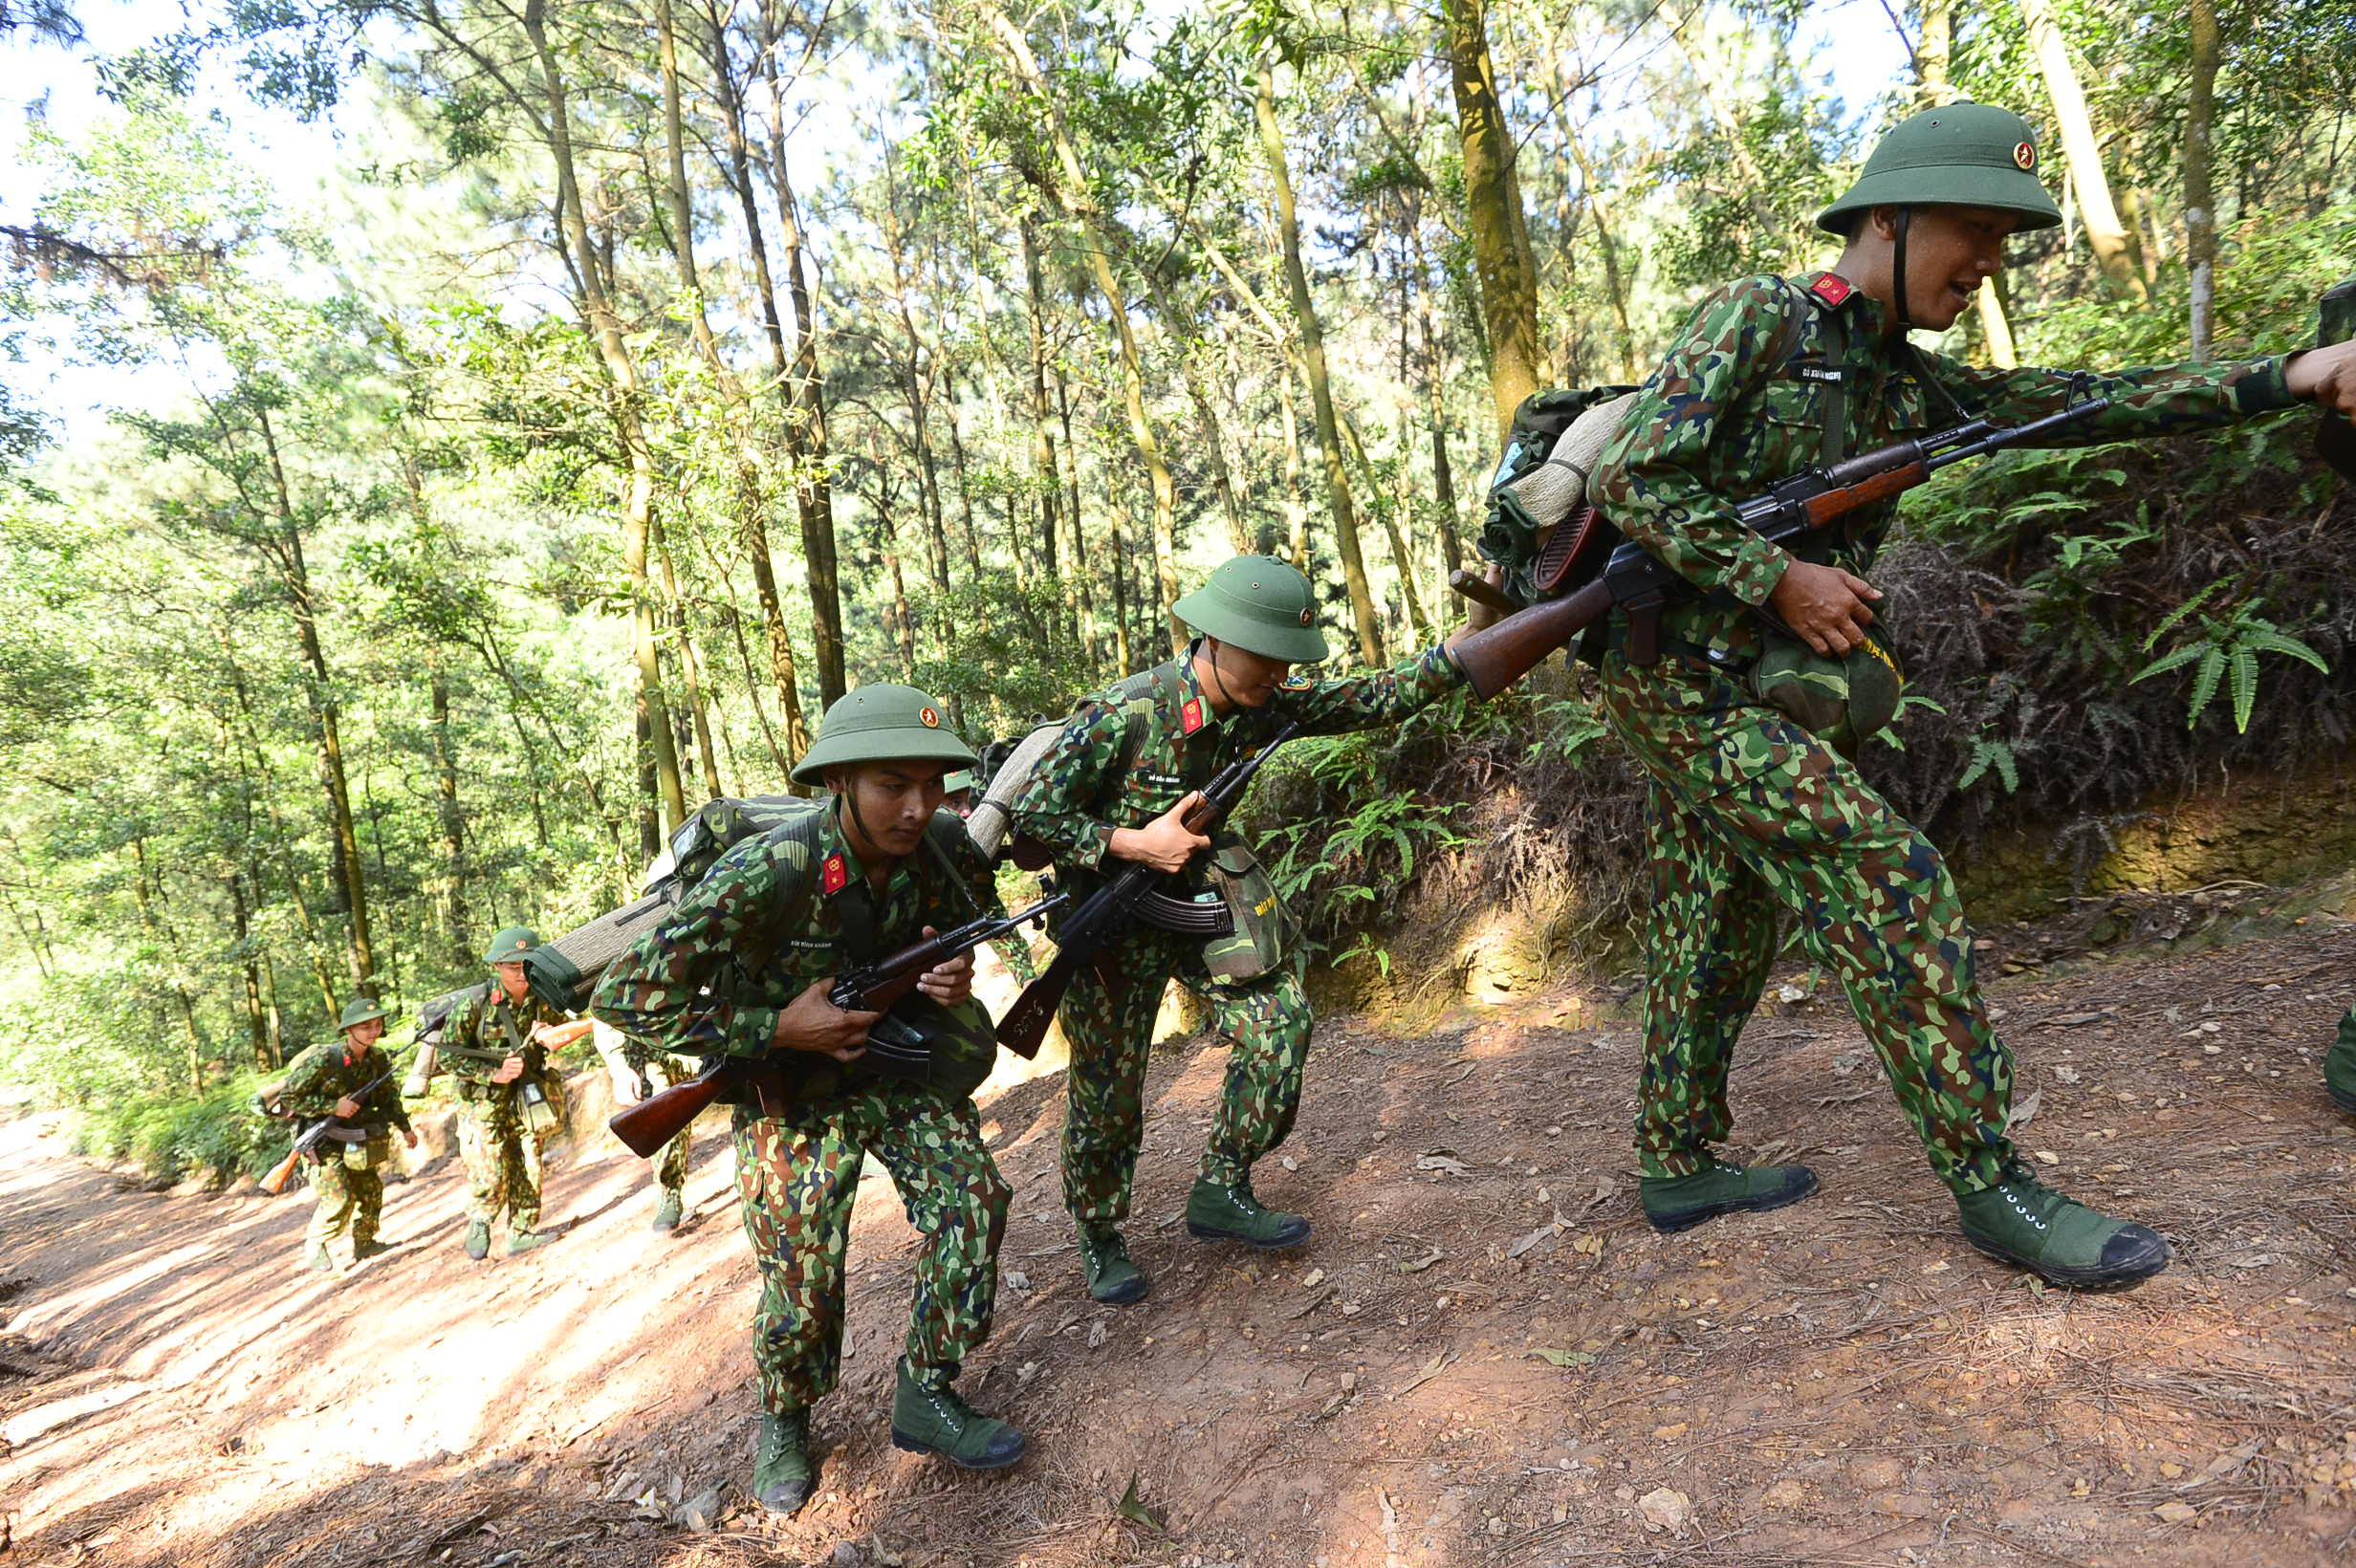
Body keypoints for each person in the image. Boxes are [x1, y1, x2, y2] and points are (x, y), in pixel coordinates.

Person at [1583, 101, 2356, 1289]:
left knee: (1718, 915)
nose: (1990, 261)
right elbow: (1640, 478)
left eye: (2007, 238)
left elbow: (2090, 400)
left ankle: (1677, 1159)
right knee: (1884, 871)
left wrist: (2288, 376)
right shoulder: (1757, 317)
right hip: (1666, 675)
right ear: (1885, 219)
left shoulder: (1910, 391)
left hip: (1752, 686)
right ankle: (1988, 1181)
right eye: (1973, 230)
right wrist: (1777, 576)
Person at [1005, 554, 1497, 1306]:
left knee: (1282, 1025)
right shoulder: (1124, 712)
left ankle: (1221, 1187)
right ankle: (1100, 1235)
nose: (1277, 672)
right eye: (1264, 655)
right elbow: (1034, 816)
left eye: (1285, 659)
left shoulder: (1266, 702)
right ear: (1212, 638)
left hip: (1196, 904)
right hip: (1108, 922)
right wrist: (1135, 843)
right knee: (1110, 1093)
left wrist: (1471, 645)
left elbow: (1377, 696)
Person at [592, 685, 1025, 1515]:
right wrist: (777, 1026)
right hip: (790, 1095)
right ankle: (787, 1416)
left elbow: (967, 931)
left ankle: (927, 1391)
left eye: (933, 785)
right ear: (841, 782)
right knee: (803, 1285)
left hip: (897, 1072)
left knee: (975, 1202)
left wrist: (944, 976)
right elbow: (626, 995)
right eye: (892, 785)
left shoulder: (943, 848)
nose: (917, 806)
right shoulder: (773, 869)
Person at [443, 926, 594, 1259]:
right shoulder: (474, 1004)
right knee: (492, 1168)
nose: (521, 972)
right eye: (513, 966)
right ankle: (481, 1220)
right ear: (496, 965)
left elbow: (564, 1032)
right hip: (480, 1103)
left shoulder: (543, 996)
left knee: (529, 1164)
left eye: (528, 964)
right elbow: (447, 1055)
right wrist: (491, 1074)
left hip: (526, 1096)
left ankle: (521, 1232)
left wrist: (550, 1033)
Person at [255, 997, 417, 1274]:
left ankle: (365, 1243)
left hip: (358, 1138)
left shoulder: (377, 1059)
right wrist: (333, 1107)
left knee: (371, 1190)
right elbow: (291, 1097)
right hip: (322, 1141)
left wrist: (405, 1127)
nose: (373, 1031)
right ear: (348, 1029)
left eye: (377, 1025)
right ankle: (316, 1241)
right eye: (365, 1026)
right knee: (339, 1196)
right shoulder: (325, 1059)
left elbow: (389, 1098)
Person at [591, 1016, 697, 1231]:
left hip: (693, 1037)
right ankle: (669, 1192)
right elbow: (603, 1005)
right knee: (665, 1118)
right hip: (648, 1054)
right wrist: (618, 1067)